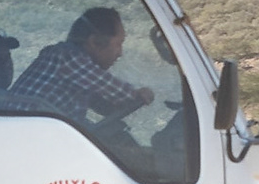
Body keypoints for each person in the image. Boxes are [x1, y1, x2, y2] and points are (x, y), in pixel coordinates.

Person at [9, 7, 155, 123]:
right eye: (118, 44)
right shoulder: (66, 56)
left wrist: (117, 106)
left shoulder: (78, 75)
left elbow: (101, 102)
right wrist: (136, 94)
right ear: (94, 41)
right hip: (26, 134)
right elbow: (106, 85)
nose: (120, 53)